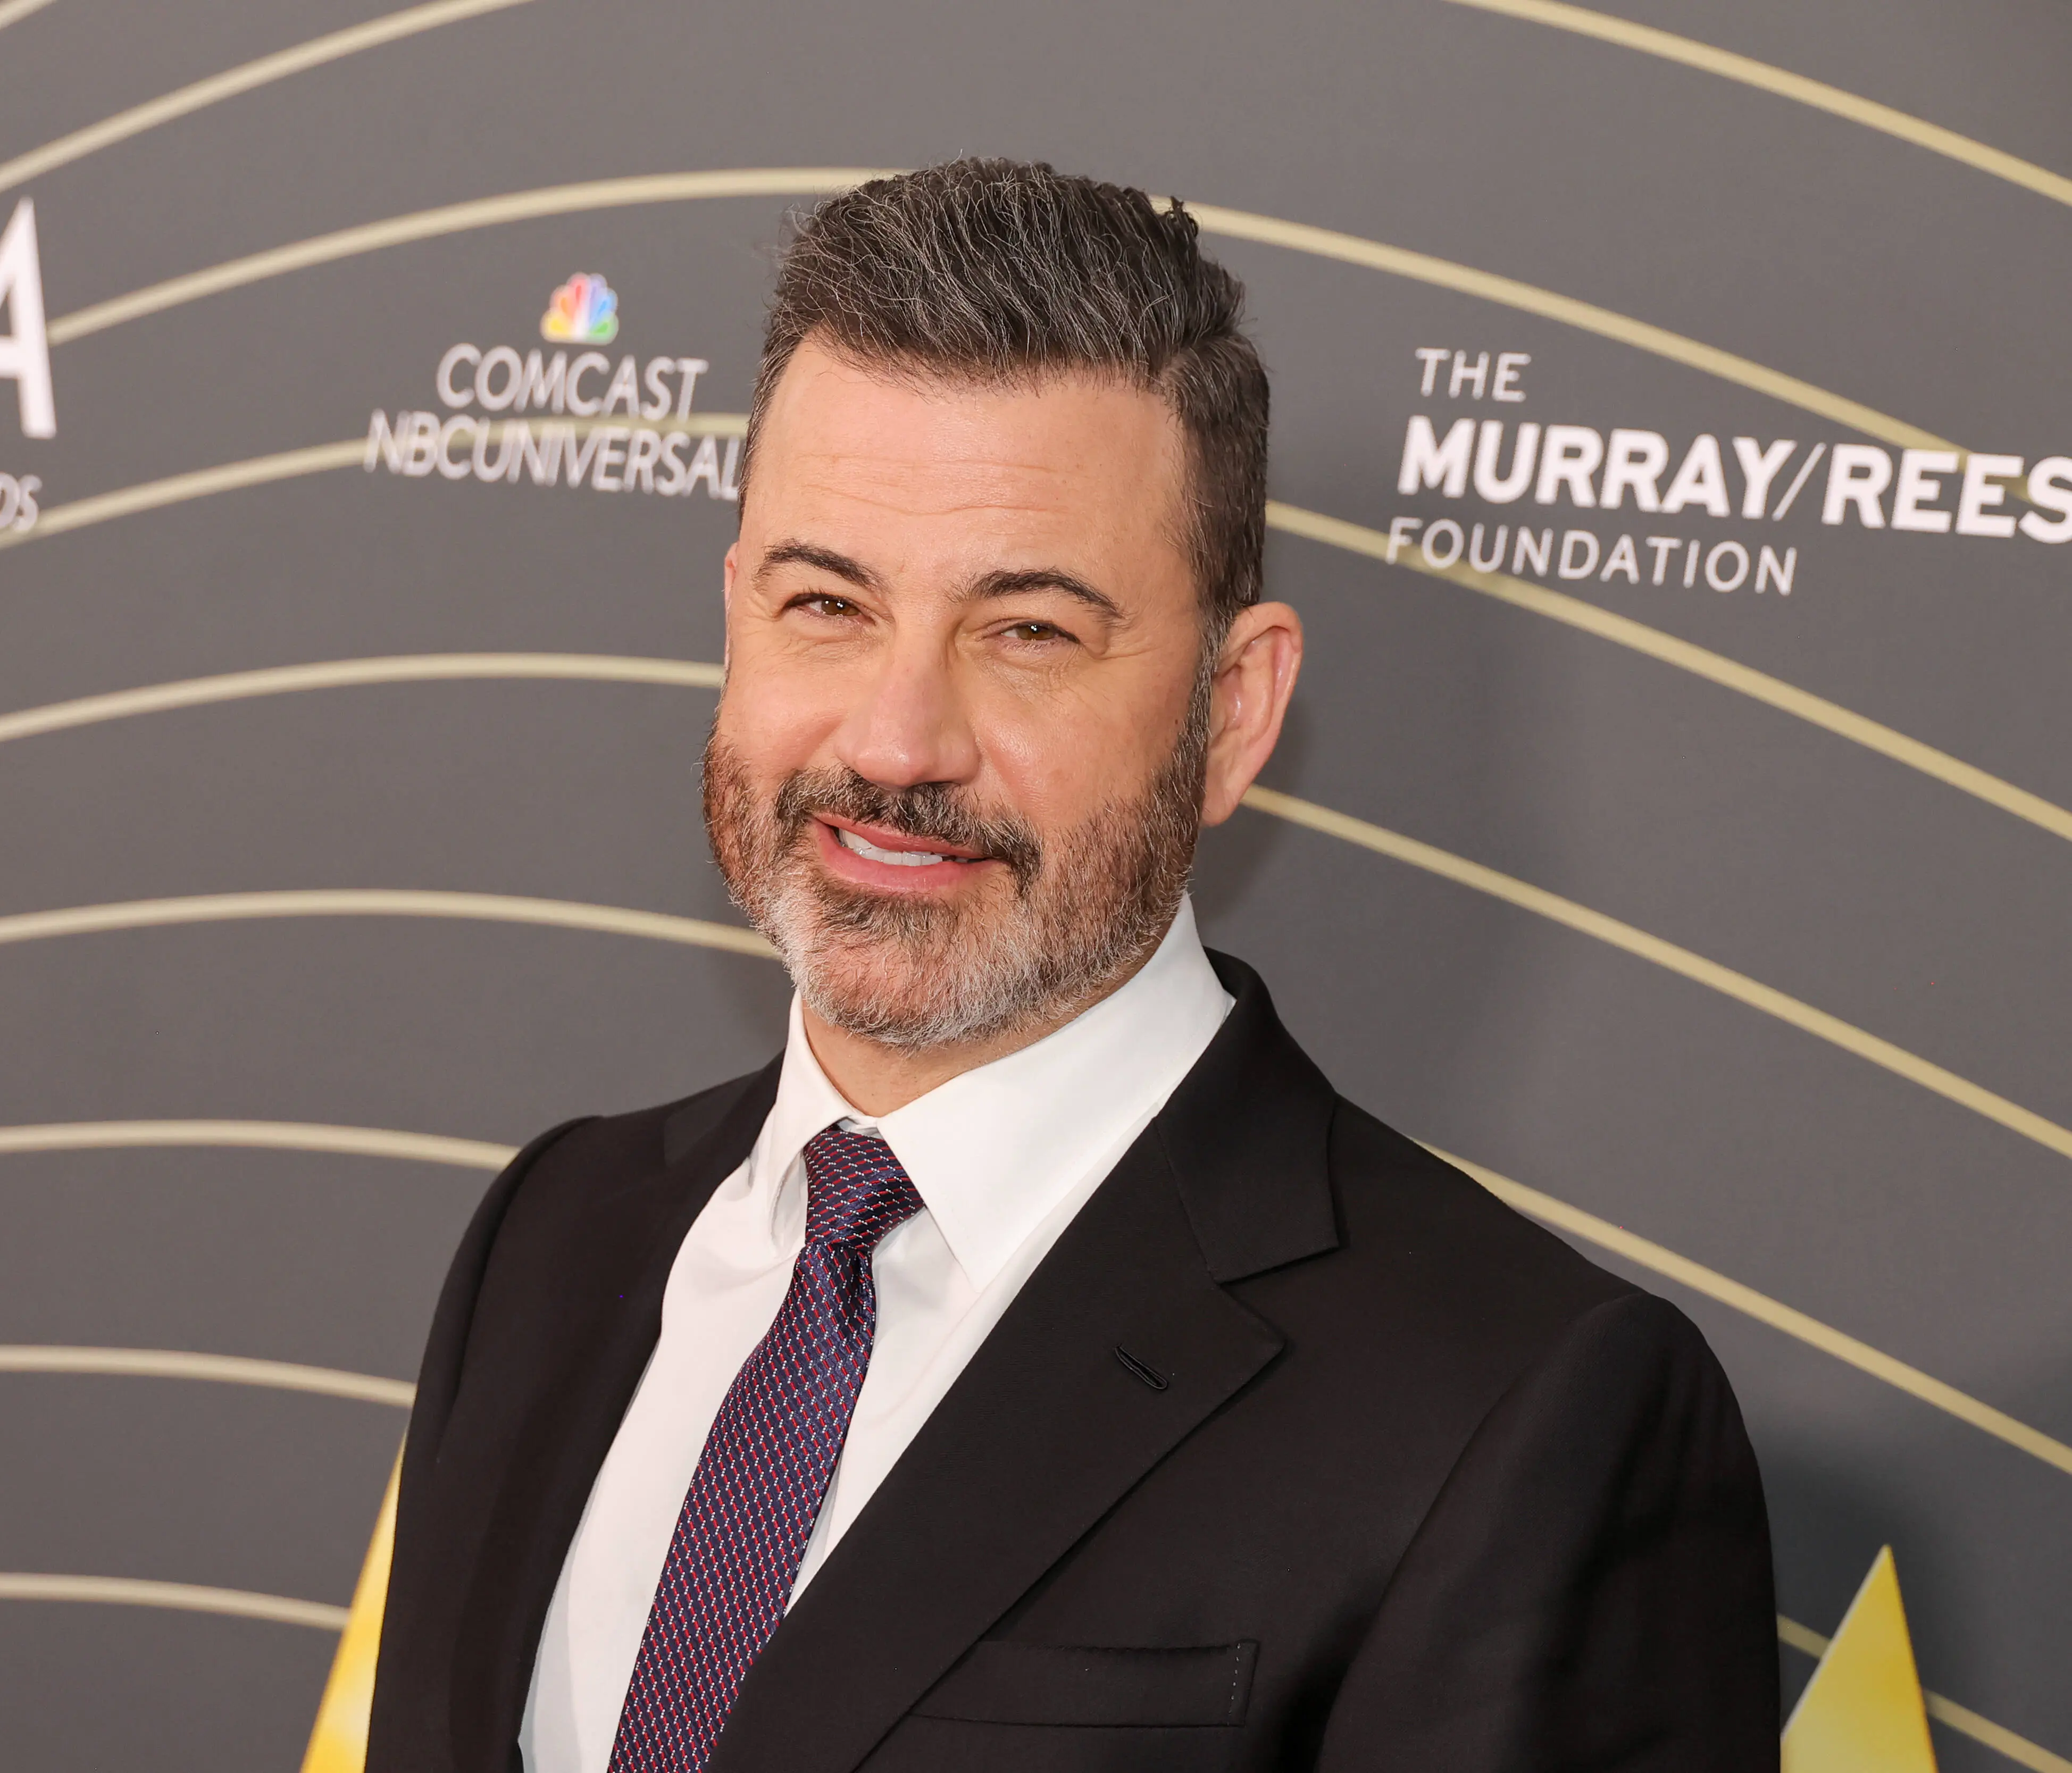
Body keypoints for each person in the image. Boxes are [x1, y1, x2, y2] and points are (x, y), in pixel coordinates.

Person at [367, 158, 1777, 1773]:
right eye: (826, 601)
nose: (897, 739)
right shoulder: (554, 1237)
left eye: (1027, 630)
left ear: (1234, 710)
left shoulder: (1522, 1412)